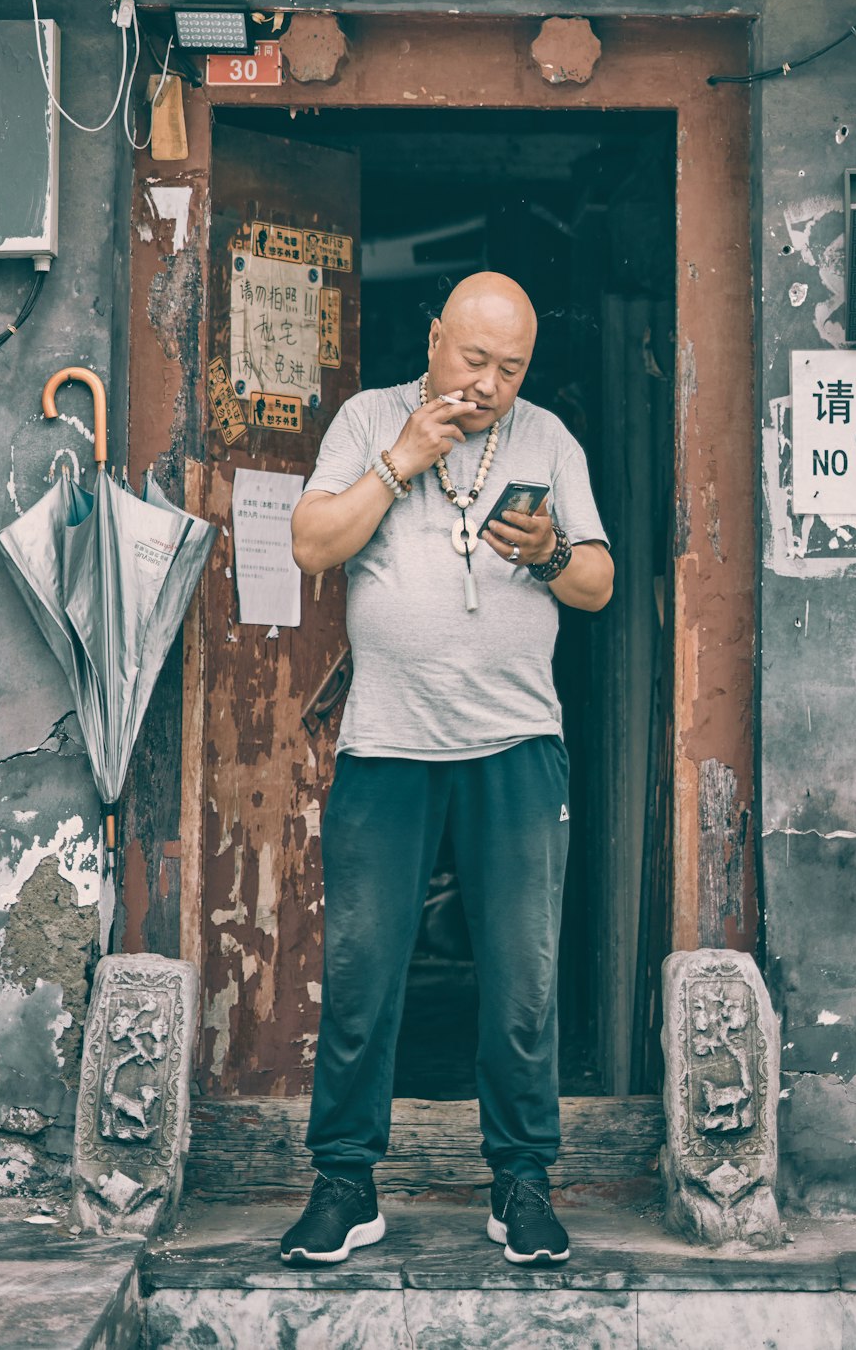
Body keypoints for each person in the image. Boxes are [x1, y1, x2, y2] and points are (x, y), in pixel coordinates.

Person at [281, 271, 613, 1269]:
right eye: (476, 360)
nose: (493, 384)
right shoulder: (365, 419)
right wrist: (401, 460)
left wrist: (552, 551)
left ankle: (521, 1184)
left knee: (523, 978)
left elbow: (596, 582)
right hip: (387, 742)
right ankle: (344, 1181)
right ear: (434, 340)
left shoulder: (547, 439)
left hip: (517, 745)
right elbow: (310, 544)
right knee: (363, 974)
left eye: (512, 367)